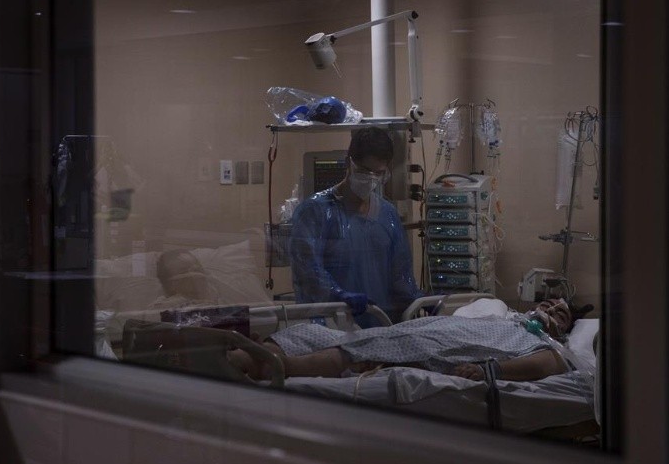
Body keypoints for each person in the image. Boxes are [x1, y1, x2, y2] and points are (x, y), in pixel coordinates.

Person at [228, 299, 589, 382]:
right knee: (313, 332)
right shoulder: (500, 315)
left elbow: (546, 365)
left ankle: (275, 367)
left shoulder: (546, 345)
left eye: (559, 314)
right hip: (426, 330)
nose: (549, 310)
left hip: (433, 349)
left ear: (563, 330)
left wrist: (488, 371)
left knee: (364, 347)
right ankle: (250, 354)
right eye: (547, 304)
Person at [289, 127, 425, 327]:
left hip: (383, 325)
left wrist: (420, 299)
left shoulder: (388, 215)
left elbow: (401, 276)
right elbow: (308, 271)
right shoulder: (315, 212)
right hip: (333, 328)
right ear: (348, 163)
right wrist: (339, 295)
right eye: (363, 171)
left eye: (378, 173)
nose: (370, 178)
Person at [149, 249, 220, 310]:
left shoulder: (214, 297)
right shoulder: (165, 305)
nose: (195, 276)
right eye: (184, 271)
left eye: (197, 269)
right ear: (171, 284)